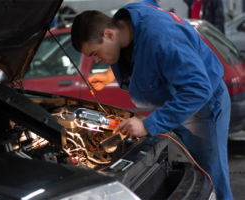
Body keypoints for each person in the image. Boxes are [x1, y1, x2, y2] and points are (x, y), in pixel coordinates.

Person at [71, 2, 233, 200]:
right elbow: (141, 54)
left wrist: (149, 125)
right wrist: (109, 75)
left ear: (108, 35)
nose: (96, 60)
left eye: (95, 54)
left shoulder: (161, 39)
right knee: (192, 179)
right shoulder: (130, 19)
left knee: (211, 184)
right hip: (179, 104)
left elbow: (198, 90)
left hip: (202, 107)